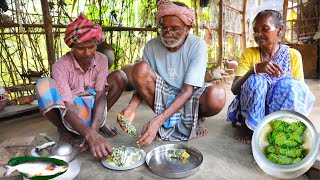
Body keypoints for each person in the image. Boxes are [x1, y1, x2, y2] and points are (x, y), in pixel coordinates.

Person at [119, 0, 226, 145]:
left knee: (217, 96)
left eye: (175, 28)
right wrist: (131, 108)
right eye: (163, 27)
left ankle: (196, 119)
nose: (168, 33)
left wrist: (156, 122)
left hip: (189, 93)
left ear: (188, 28)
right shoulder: (151, 47)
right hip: (163, 95)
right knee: (139, 68)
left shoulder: (197, 45)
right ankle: (165, 123)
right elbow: (142, 83)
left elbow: (187, 90)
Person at [36, 14, 128, 159]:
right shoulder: (60, 66)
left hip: (92, 106)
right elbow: (68, 107)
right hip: (73, 110)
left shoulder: (101, 59)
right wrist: (90, 135)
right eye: (80, 48)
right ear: (71, 47)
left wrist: (93, 131)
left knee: (119, 76)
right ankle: (64, 130)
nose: (87, 53)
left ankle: (98, 123)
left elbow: (100, 96)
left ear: (97, 43)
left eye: (91, 47)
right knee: (43, 84)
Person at [227, 10, 315, 144]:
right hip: (253, 108)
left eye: (264, 29)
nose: (258, 34)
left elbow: (299, 92)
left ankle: (280, 130)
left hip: (277, 111)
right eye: (255, 30)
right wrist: (255, 69)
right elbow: (234, 89)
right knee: (256, 81)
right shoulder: (249, 54)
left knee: (290, 85)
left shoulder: (293, 55)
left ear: (280, 30)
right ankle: (250, 127)